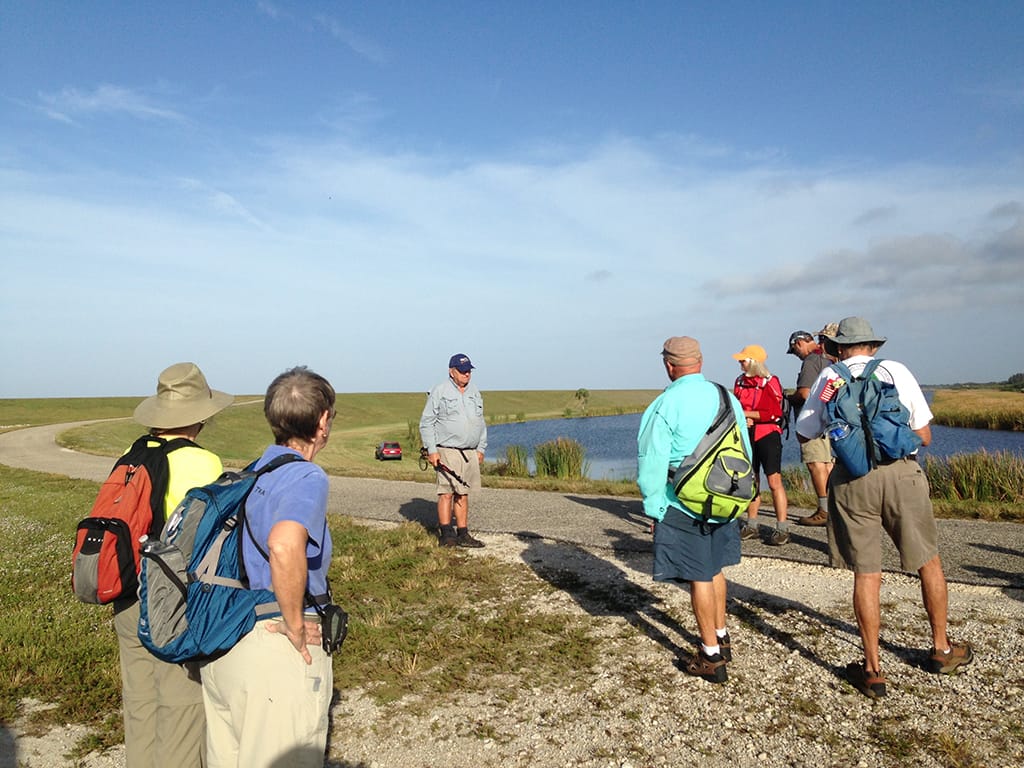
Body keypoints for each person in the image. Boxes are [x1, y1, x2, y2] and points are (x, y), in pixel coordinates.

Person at [795, 317, 974, 698]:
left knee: (866, 573)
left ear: (838, 348)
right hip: (901, 475)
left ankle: (873, 669)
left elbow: (804, 432)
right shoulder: (896, 370)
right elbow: (924, 435)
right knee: (929, 561)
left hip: (851, 479)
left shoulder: (829, 379)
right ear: (873, 346)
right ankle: (941, 649)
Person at [201, 366, 337, 767]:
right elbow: (283, 543)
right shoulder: (305, 476)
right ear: (323, 421)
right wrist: (295, 624)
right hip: (274, 649)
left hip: (227, 644)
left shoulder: (253, 471)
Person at [119, 362, 233, 768]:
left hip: (126, 595)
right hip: (170, 601)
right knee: (181, 711)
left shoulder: (131, 455)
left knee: (140, 706)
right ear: (198, 416)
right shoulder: (203, 463)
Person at [637, 336, 752, 684]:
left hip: (682, 503)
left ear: (669, 365)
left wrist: (654, 507)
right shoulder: (726, 397)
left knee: (698, 576)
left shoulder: (664, 405)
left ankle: (710, 655)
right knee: (715, 569)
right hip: (725, 498)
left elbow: (651, 463)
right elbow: (743, 448)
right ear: (700, 362)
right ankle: (722, 633)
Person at [419, 353, 487, 548]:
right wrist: (432, 450)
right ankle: (446, 533)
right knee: (446, 492)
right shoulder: (439, 391)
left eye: (469, 371)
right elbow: (427, 423)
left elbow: (480, 422)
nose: (467, 374)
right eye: (462, 370)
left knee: (463, 493)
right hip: (447, 450)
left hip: (470, 452)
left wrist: (481, 447)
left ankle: (463, 533)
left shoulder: (474, 392)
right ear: (452, 371)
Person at [731, 344, 790, 545]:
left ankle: (782, 528)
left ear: (753, 362)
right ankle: (752, 524)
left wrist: (747, 415)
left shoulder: (770, 382)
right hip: (748, 434)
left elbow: (773, 413)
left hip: (768, 435)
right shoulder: (740, 382)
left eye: (743, 360)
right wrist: (745, 418)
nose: (740, 363)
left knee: (774, 481)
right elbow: (736, 407)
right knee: (751, 480)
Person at [785, 330, 834, 526]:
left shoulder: (810, 361)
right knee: (828, 464)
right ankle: (832, 506)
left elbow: (805, 394)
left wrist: (789, 397)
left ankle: (824, 510)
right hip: (830, 420)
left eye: (795, 350)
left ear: (799, 343)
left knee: (816, 463)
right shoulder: (829, 359)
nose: (796, 354)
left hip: (813, 421)